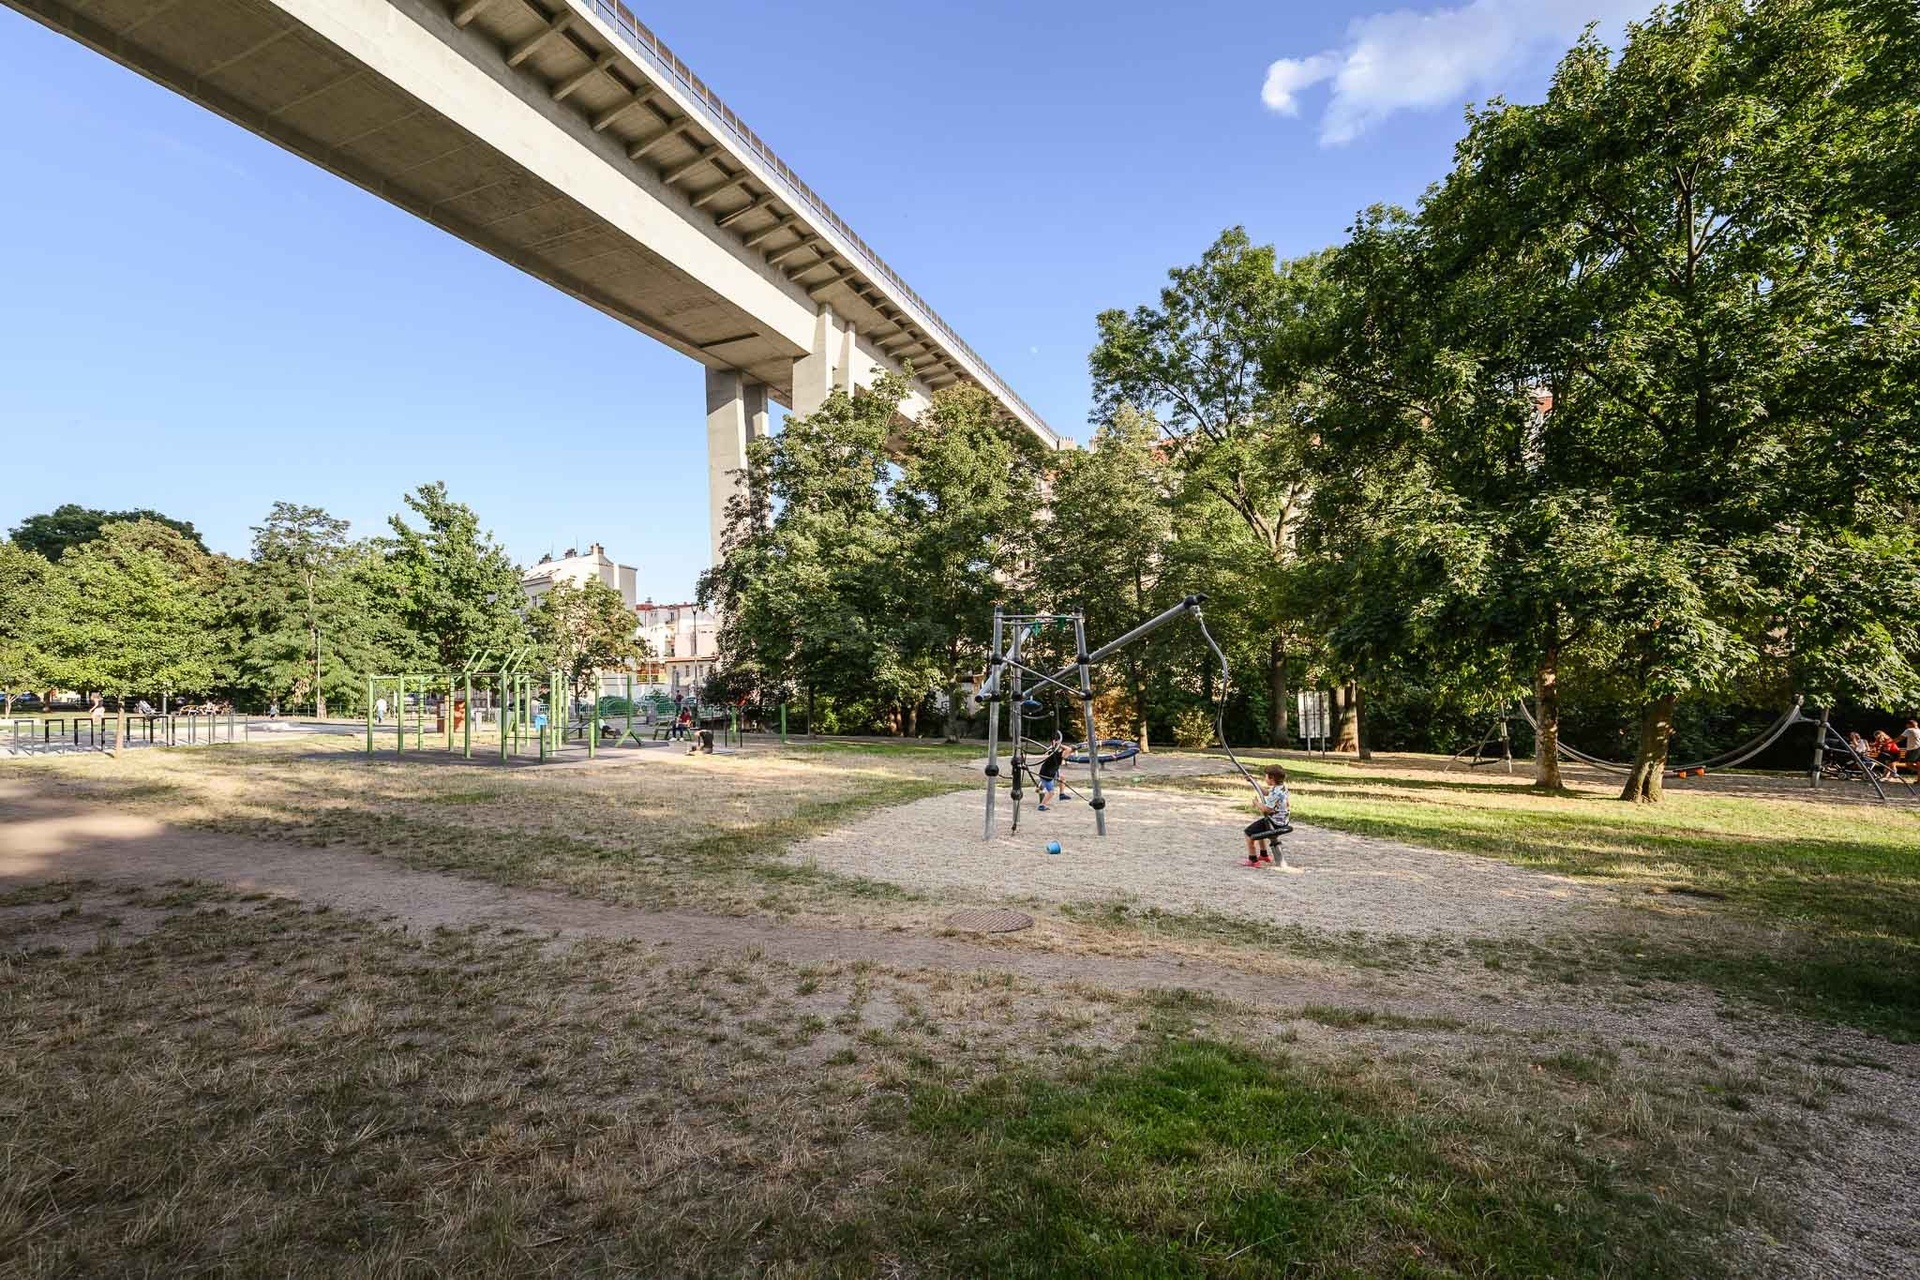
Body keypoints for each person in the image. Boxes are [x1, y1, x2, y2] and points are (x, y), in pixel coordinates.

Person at [1243, 765, 1292, 867]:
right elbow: (1265, 793)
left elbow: (1267, 810)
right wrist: (1253, 781)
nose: (1265, 778)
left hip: (1275, 823)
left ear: (1271, 778)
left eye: (1265, 776)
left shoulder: (1276, 792)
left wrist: (1256, 803)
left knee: (1248, 833)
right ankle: (1264, 855)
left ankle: (1253, 860)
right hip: (1282, 820)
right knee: (1260, 832)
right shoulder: (1281, 787)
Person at [1035, 732, 1067, 811]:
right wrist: (1058, 744)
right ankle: (1042, 805)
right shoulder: (1053, 752)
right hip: (1047, 774)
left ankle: (1062, 794)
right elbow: (1068, 749)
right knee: (1051, 792)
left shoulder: (1055, 750)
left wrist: (1058, 744)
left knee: (1062, 778)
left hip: (1052, 771)